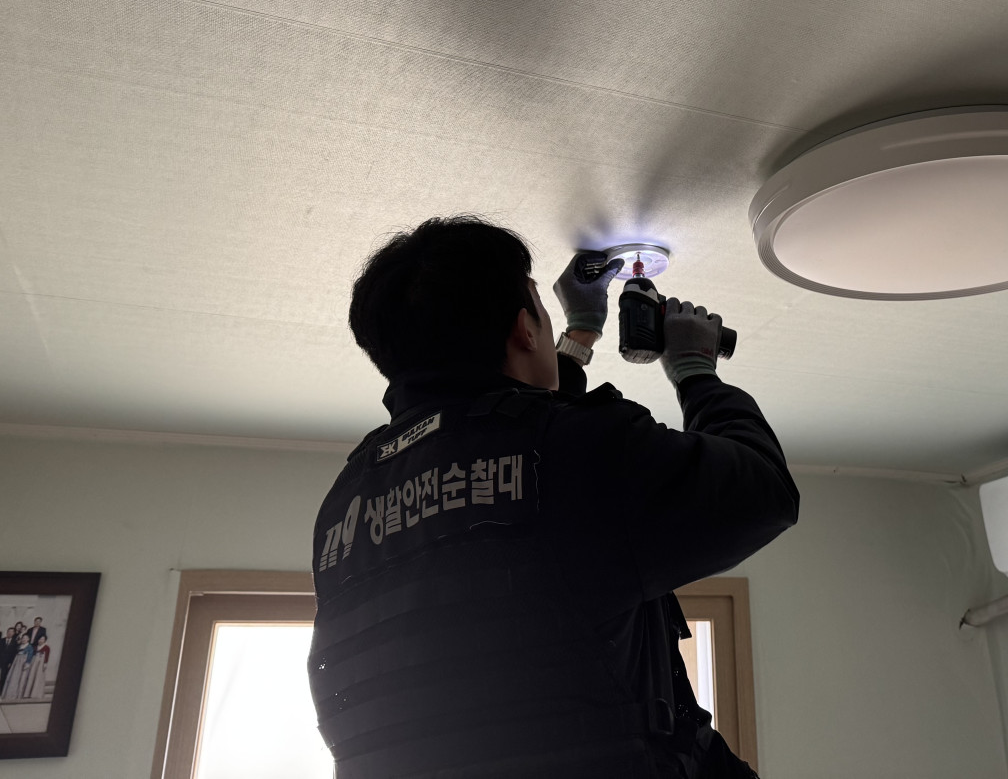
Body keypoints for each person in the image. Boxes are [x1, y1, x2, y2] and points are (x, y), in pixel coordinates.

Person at [310, 218, 798, 779]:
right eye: (538, 309)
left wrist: (577, 337)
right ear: (524, 329)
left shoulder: (347, 501)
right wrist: (696, 373)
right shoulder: (578, 449)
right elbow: (762, 490)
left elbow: (517, 453)